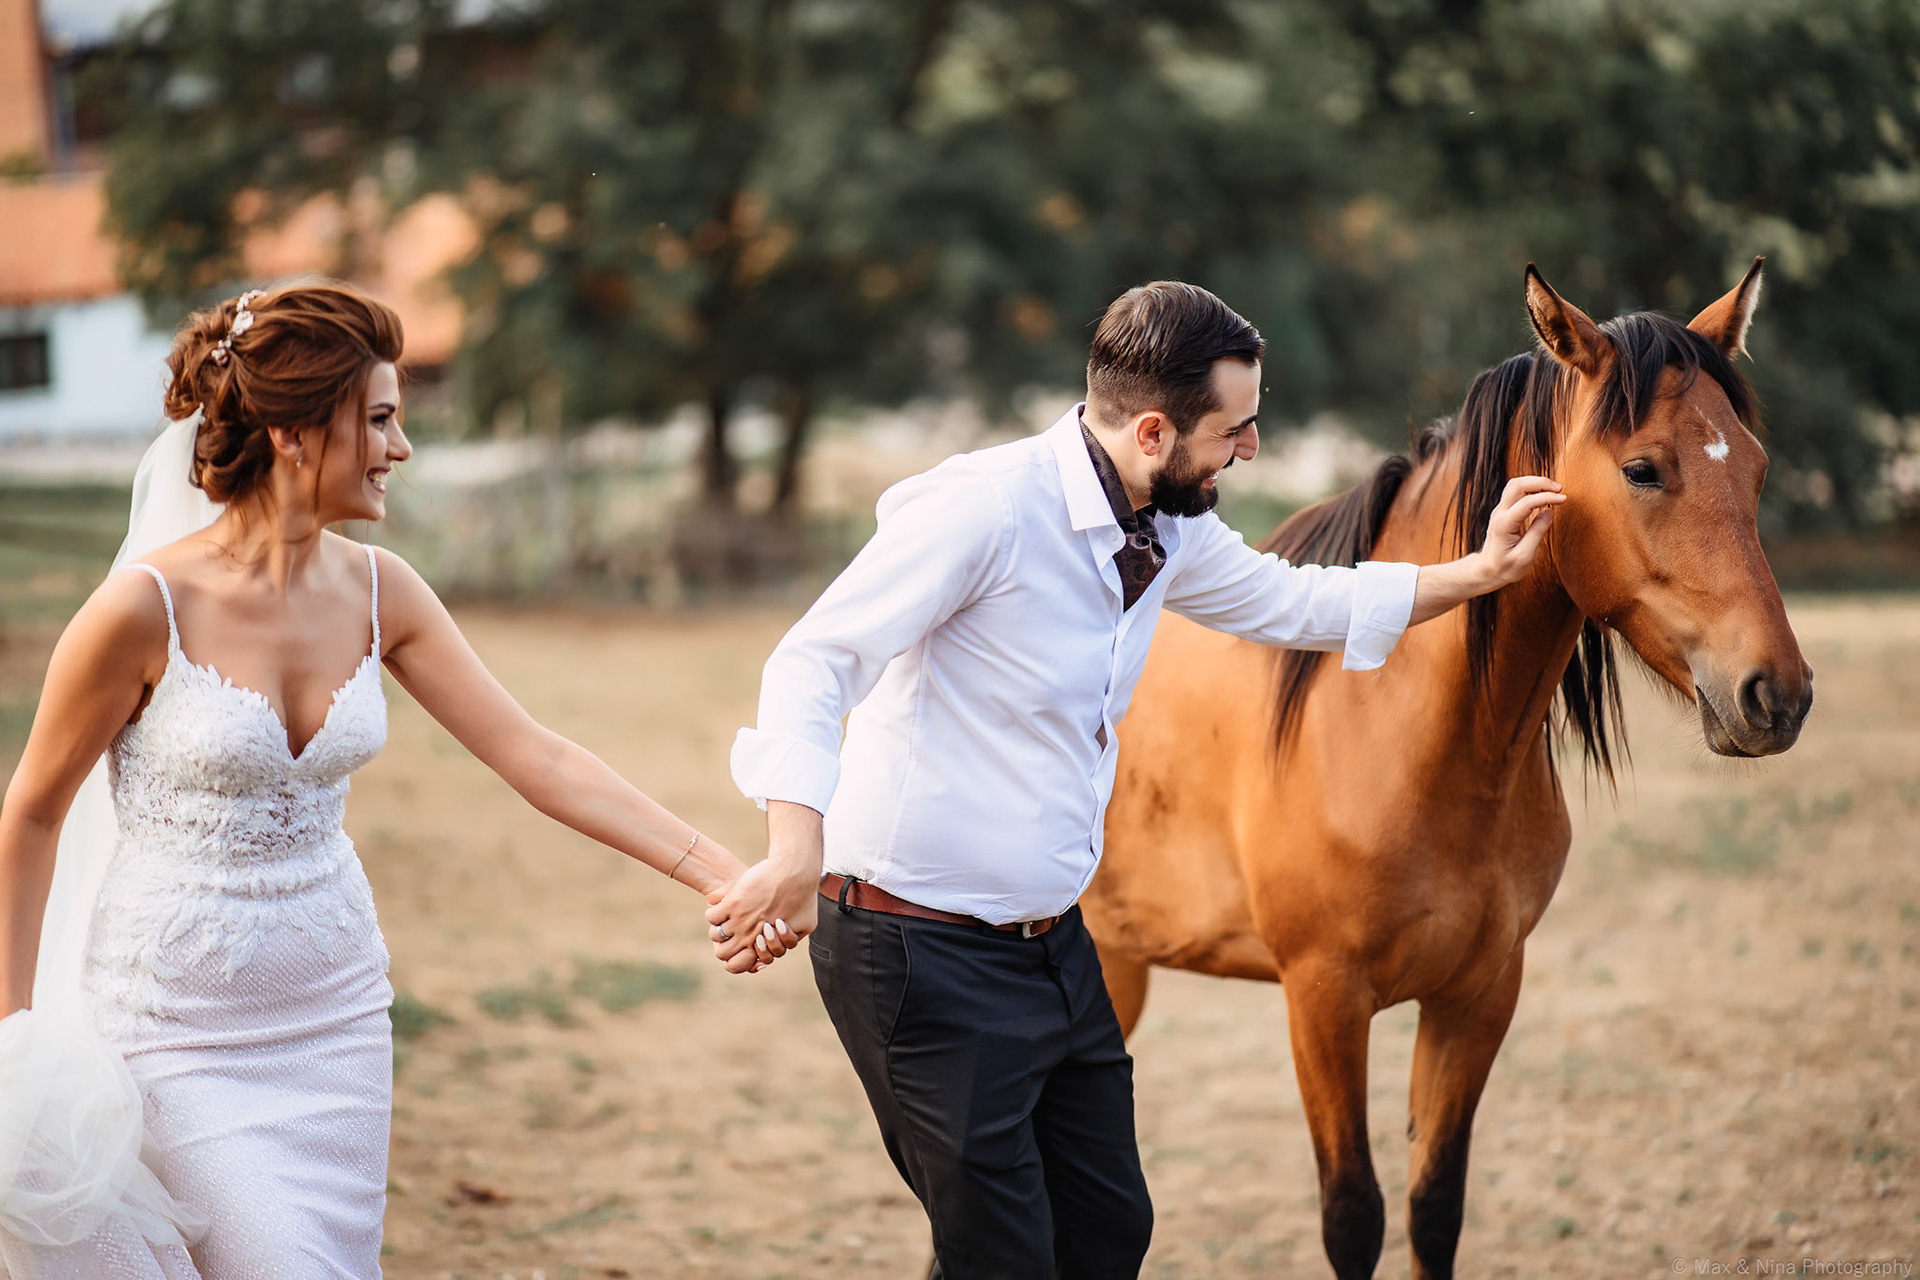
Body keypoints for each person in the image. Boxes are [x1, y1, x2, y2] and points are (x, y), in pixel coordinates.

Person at [706, 281, 1565, 1277]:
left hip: (1055, 944)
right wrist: (794, 843)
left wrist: (1480, 571)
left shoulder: (1165, 525)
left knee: (1107, 1230)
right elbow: (813, 661)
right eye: (1235, 429)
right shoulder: (984, 510)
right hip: (917, 947)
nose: (1251, 447)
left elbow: (1296, 601)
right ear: (1152, 432)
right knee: (1004, 1258)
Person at [0, 282, 797, 1278]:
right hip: (173, 1033)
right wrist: (14, 1034)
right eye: (379, 420)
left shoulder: (385, 592)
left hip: (335, 1021)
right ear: (294, 432)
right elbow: (33, 812)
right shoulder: (139, 610)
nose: (401, 447)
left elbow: (539, 756)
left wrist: (730, 875)